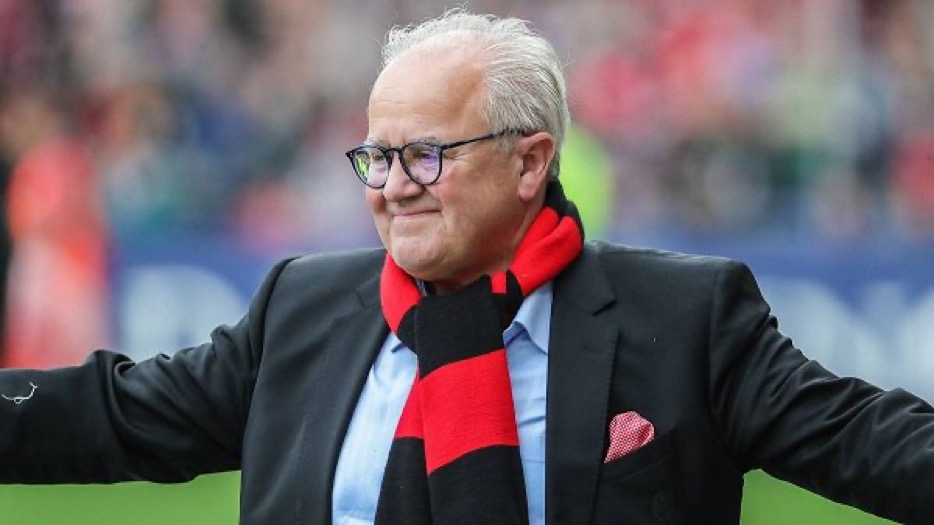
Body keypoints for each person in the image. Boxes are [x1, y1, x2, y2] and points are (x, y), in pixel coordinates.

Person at [1, 9, 933, 525]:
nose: (393, 186)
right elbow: (112, 414)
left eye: (427, 154)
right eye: (377, 157)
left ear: (531, 162)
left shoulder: (687, 316)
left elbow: (864, 439)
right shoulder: (302, 307)